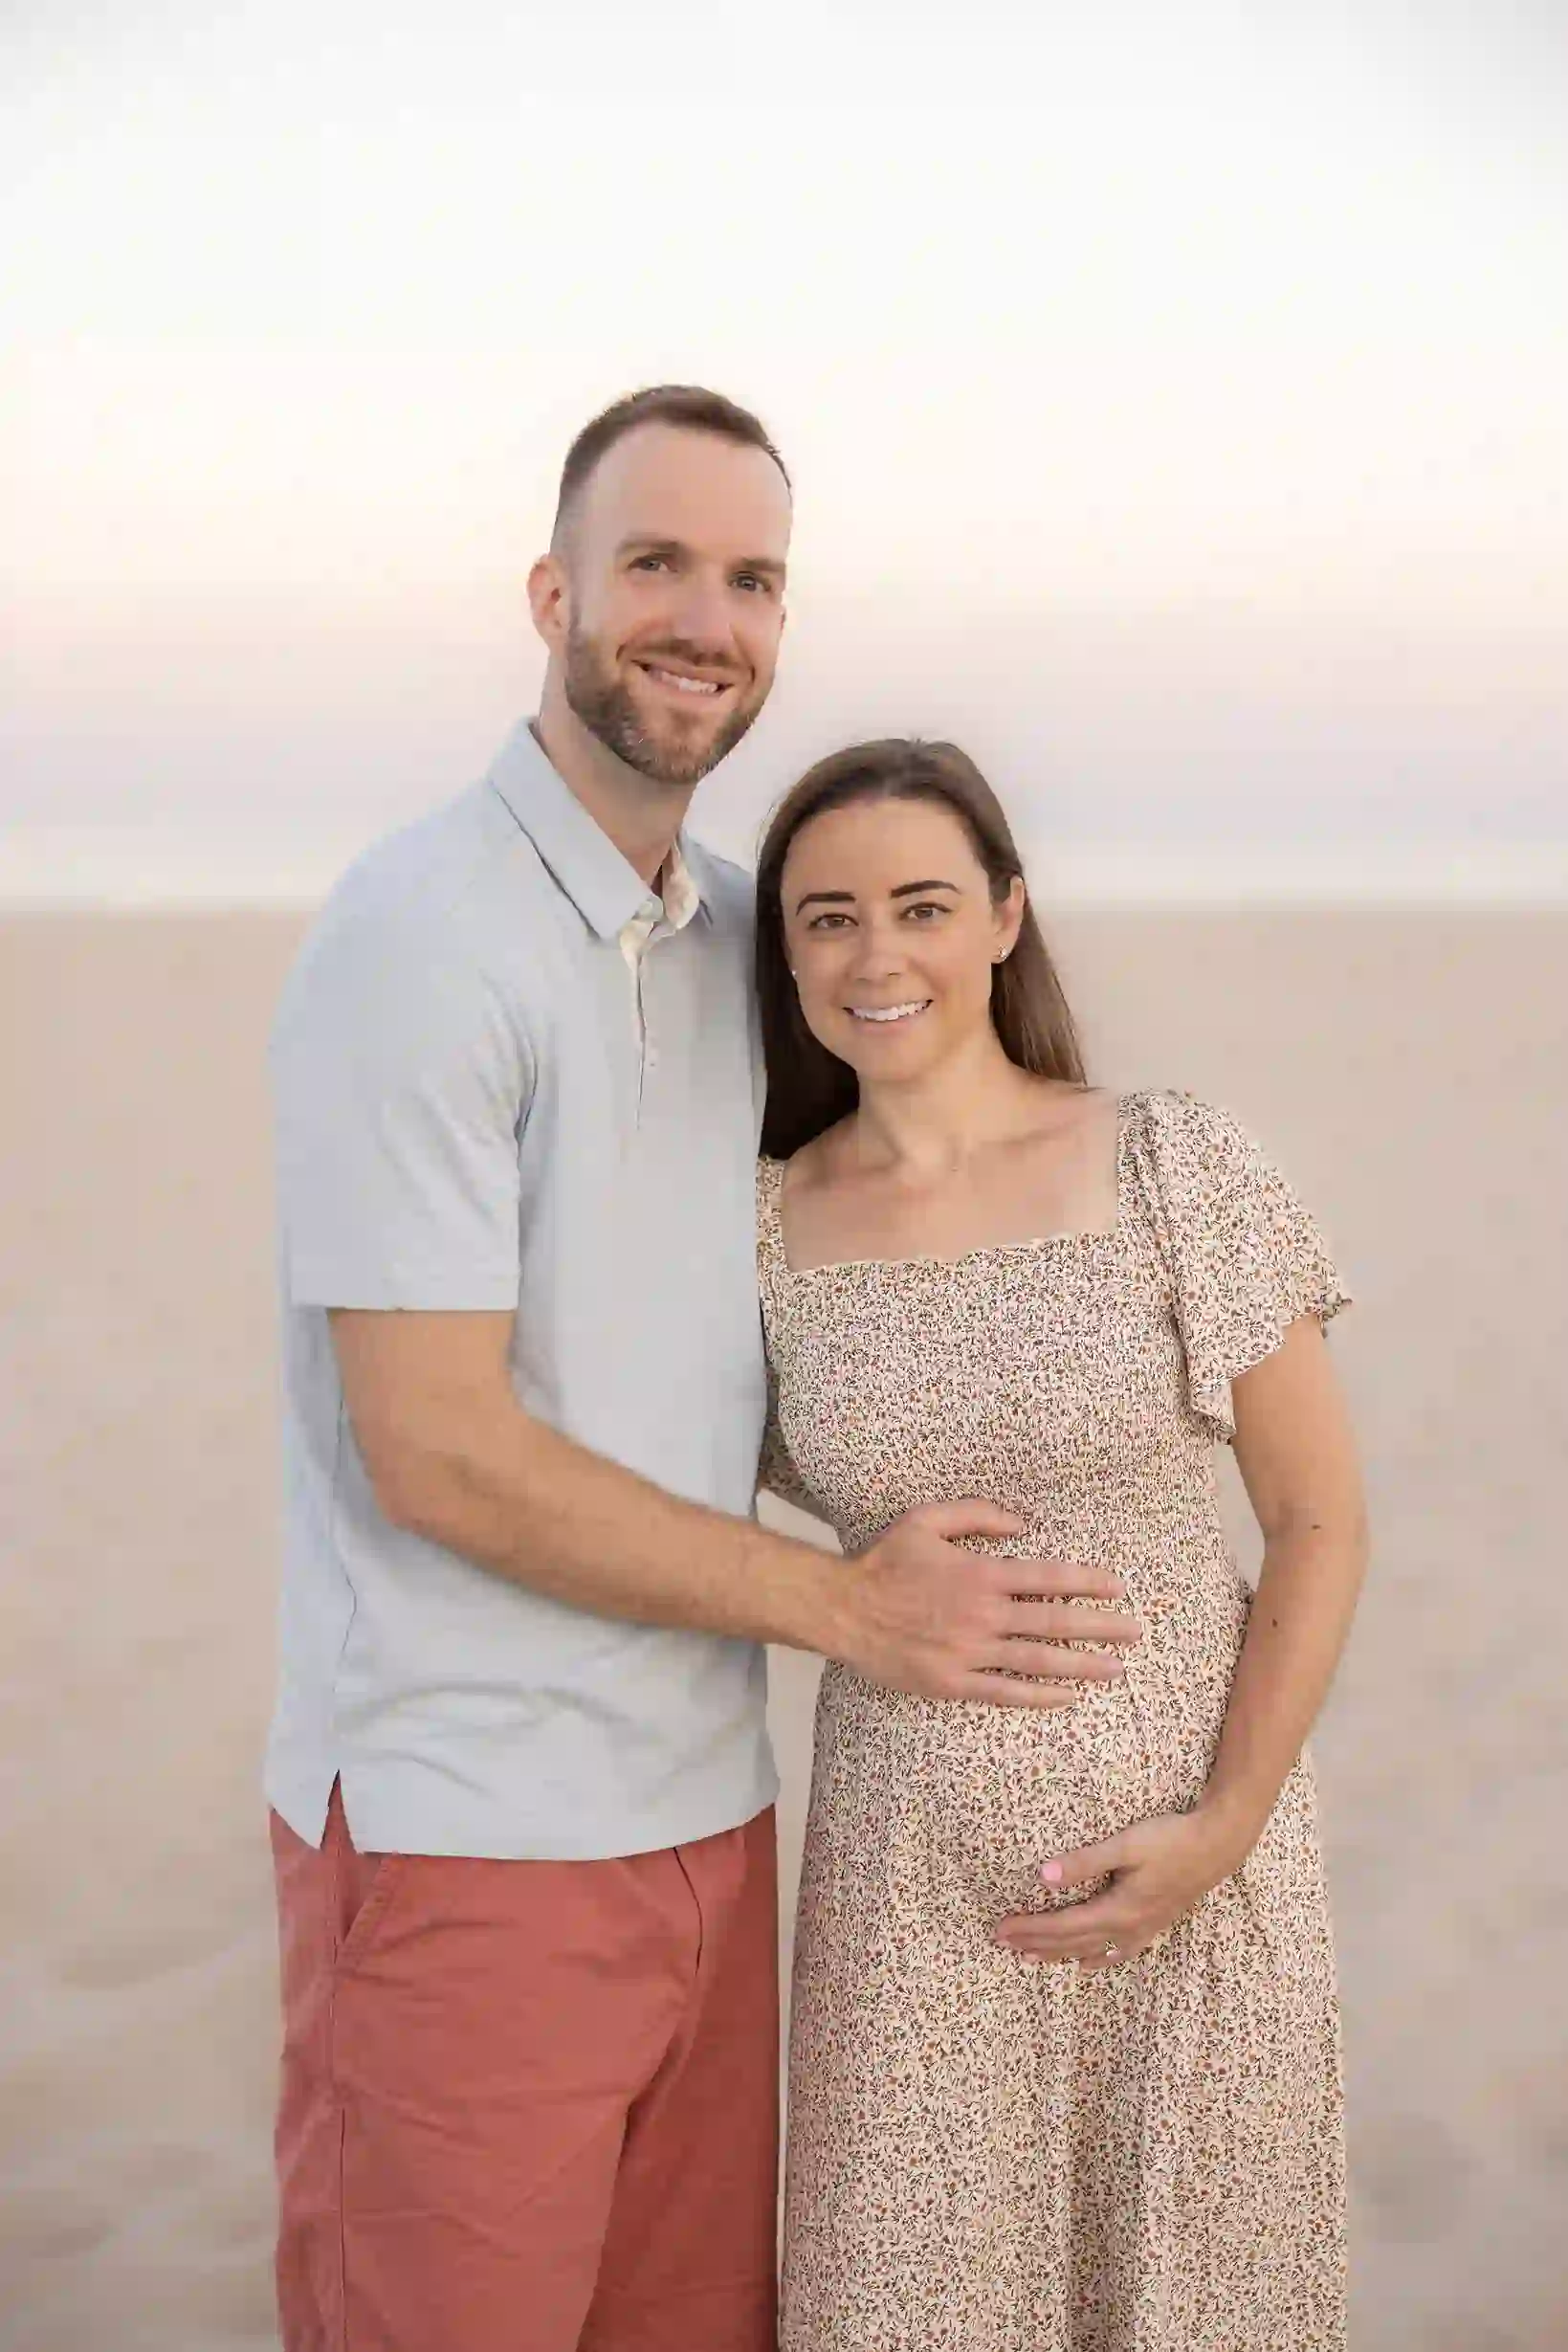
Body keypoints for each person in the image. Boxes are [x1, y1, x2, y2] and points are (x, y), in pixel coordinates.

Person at [264, 390, 1140, 2352]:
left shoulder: (758, 938)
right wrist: (851, 1603)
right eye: (657, 561)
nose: (705, 618)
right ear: (553, 589)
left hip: (714, 1827)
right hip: (460, 1837)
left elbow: (867, 1277)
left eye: (753, 578)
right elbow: (438, 1450)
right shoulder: (420, 940)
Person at [753, 738, 1369, 2351]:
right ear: (786, 955)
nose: (875, 955)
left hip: (1193, 1877)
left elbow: (1317, 1518)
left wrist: (1223, 1822)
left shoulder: (1172, 1160)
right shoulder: (750, 1231)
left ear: (1006, 916)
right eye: (825, 917)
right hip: (907, 1912)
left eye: (921, 904)